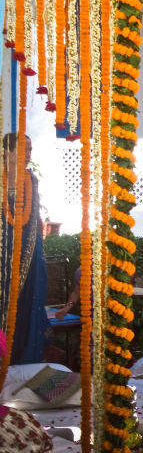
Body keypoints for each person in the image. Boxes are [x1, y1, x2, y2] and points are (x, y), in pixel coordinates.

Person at [0, 133, 48, 365]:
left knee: (26, 304)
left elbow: (35, 216)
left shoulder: (31, 179)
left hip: (29, 253)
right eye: (23, 150)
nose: (28, 155)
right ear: (7, 152)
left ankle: (23, 359)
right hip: (2, 254)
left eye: (30, 150)